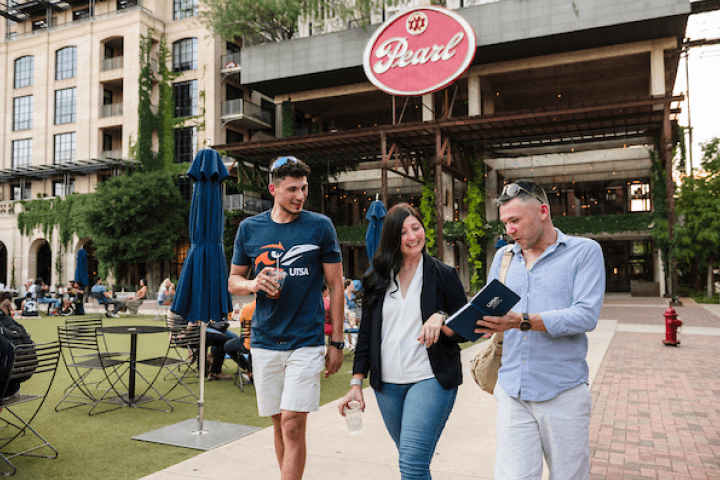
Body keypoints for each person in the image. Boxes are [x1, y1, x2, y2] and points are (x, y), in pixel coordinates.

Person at [475, 180, 605, 480]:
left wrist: (521, 320)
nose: (509, 230)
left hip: (563, 392)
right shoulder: (503, 257)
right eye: (505, 222)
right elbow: (490, 304)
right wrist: (470, 321)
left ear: (543, 211)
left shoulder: (584, 252)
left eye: (516, 220)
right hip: (512, 390)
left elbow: (585, 316)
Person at [228, 155, 344, 480]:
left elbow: (336, 285)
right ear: (273, 189)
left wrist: (336, 340)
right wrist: (253, 283)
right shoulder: (249, 229)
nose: (300, 195)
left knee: (293, 421)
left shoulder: (320, 226)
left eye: (304, 188)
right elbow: (234, 281)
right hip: (264, 342)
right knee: (279, 422)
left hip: (306, 340)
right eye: (292, 189)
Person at [338, 203, 468, 479]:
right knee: (412, 461)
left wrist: (442, 318)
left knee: (412, 465)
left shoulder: (444, 275)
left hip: (430, 378)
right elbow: (366, 336)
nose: (412, 236)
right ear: (391, 238)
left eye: (416, 228)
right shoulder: (376, 278)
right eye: (403, 231)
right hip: (387, 386)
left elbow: (467, 328)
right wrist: (355, 382)